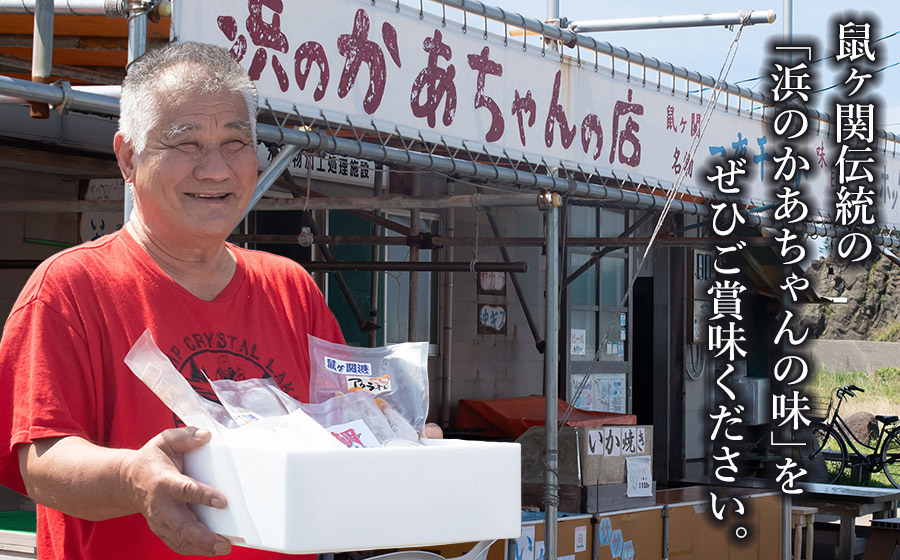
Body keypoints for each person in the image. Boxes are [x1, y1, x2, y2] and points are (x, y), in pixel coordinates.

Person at [0, 42, 347, 558]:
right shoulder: (69, 286)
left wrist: (399, 437)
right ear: (128, 157)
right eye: (185, 144)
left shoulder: (290, 287)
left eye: (236, 141)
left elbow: (345, 423)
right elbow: (43, 464)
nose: (215, 169)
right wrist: (132, 477)